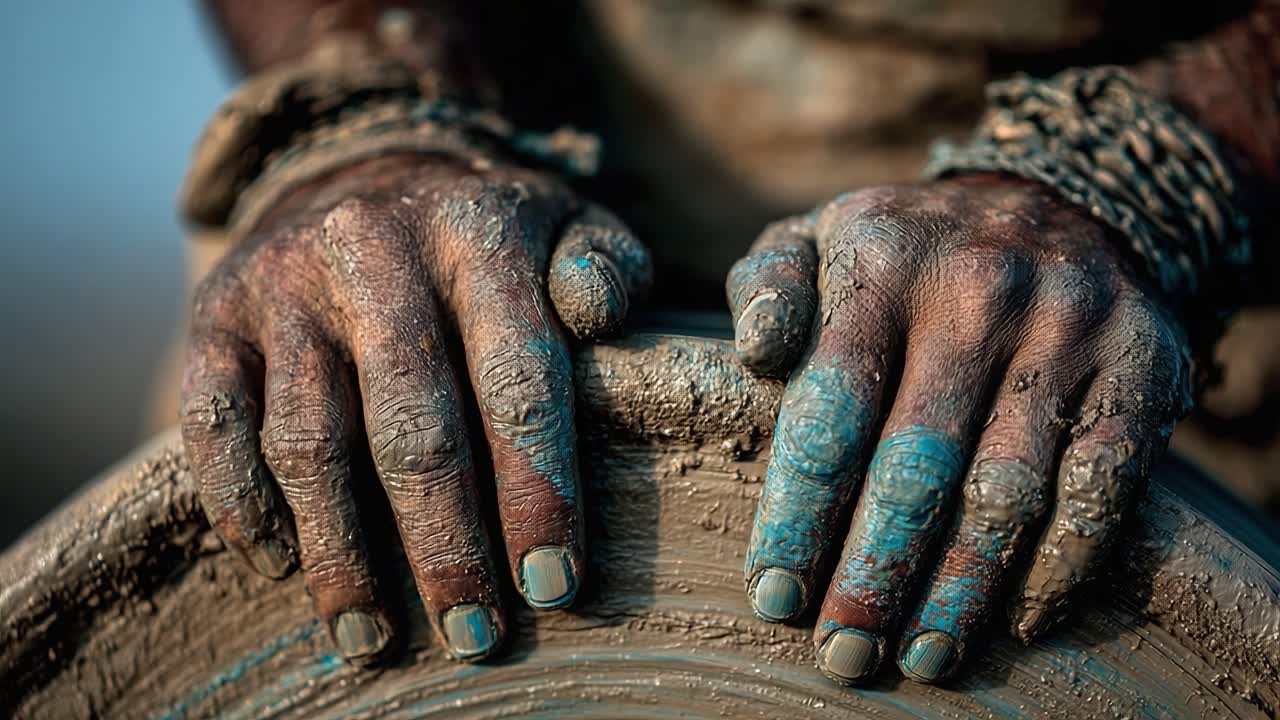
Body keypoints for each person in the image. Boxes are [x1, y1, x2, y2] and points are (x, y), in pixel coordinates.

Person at [175, 0, 1280, 686]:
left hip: (1173, 194)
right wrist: (368, 116)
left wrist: (1159, 162)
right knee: (309, 452)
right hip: (513, 122)